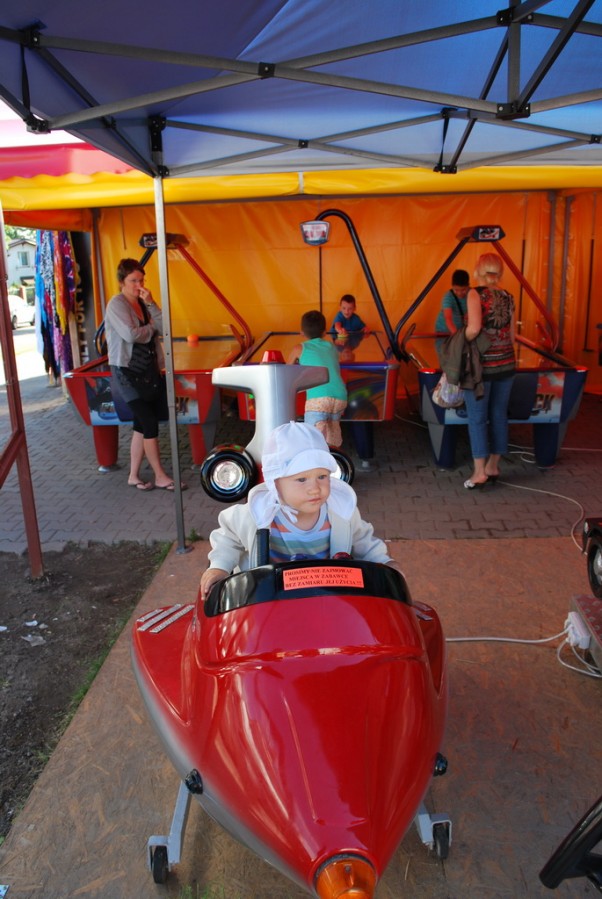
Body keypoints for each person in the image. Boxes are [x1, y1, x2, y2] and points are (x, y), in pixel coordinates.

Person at [200, 421, 403, 599]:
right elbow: (229, 538)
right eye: (301, 479)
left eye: (322, 476)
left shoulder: (341, 512)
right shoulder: (257, 514)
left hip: (328, 596)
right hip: (268, 599)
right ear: (275, 483)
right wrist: (219, 567)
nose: (315, 488)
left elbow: (363, 541)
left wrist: (384, 562)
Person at [104, 258, 186, 492]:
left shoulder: (142, 302)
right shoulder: (116, 304)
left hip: (147, 370)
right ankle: (160, 475)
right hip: (126, 371)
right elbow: (131, 335)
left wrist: (151, 305)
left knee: (141, 423)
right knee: (148, 422)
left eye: (141, 280)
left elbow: (164, 326)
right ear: (122, 282)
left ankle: (133, 475)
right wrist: (151, 330)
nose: (138, 285)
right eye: (133, 281)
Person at [462, 253, 516, 489]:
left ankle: (479, 473)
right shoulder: (508, 296)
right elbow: (512, 335)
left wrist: (459, 339)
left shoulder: (476, 294)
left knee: (477, 419)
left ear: (479, 269)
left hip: (480, 368)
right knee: (498, 415)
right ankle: (494, 465)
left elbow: (474, 328)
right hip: (507, 364)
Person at [287, 310, 348, 447]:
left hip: (318, 399)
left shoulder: (299, 348)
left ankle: (316, 463)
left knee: (312, 439)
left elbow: (287, 370)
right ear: (325, 332)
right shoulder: (332, 347)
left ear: (302, 333)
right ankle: (334, 458)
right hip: (340, 396)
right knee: (332, 432)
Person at [434, 269, 470, 354]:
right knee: (447, 358)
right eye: (456, 290)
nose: (460, 293)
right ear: (452, 286)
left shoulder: (472, 294)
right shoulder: (448, 297)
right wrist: (458, 338)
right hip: (444, 332)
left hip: (460, 332)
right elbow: (448, 319)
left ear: (468, 286)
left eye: (463, 290)